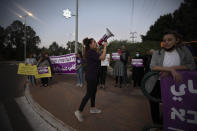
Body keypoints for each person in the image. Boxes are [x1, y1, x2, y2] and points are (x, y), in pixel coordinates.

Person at [148, 30, 196, 125]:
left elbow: (192, 65)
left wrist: (171, 69)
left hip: (177, 83)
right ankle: (157, 124)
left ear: (176, 40)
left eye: (169, 40)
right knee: (153, 102)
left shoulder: (184, 51)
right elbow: (153, 66)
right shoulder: (158, 52)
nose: (166, 42)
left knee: (173, 103)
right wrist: (170, 70)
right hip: (158, 82)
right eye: (164, 40)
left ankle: (171, 122)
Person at [74, 37, 108, 122]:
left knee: (93, 92)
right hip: (91, 76)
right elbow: (103, 57)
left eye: (95, 42)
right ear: (90, 45)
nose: (95, 43)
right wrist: (105, 47)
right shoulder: (90, 52)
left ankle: (92, 108)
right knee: (89, 94)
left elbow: (98, 54)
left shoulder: (92, 52)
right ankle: (79, 111)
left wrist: (99, 46)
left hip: (94, 76)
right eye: (94, 42)